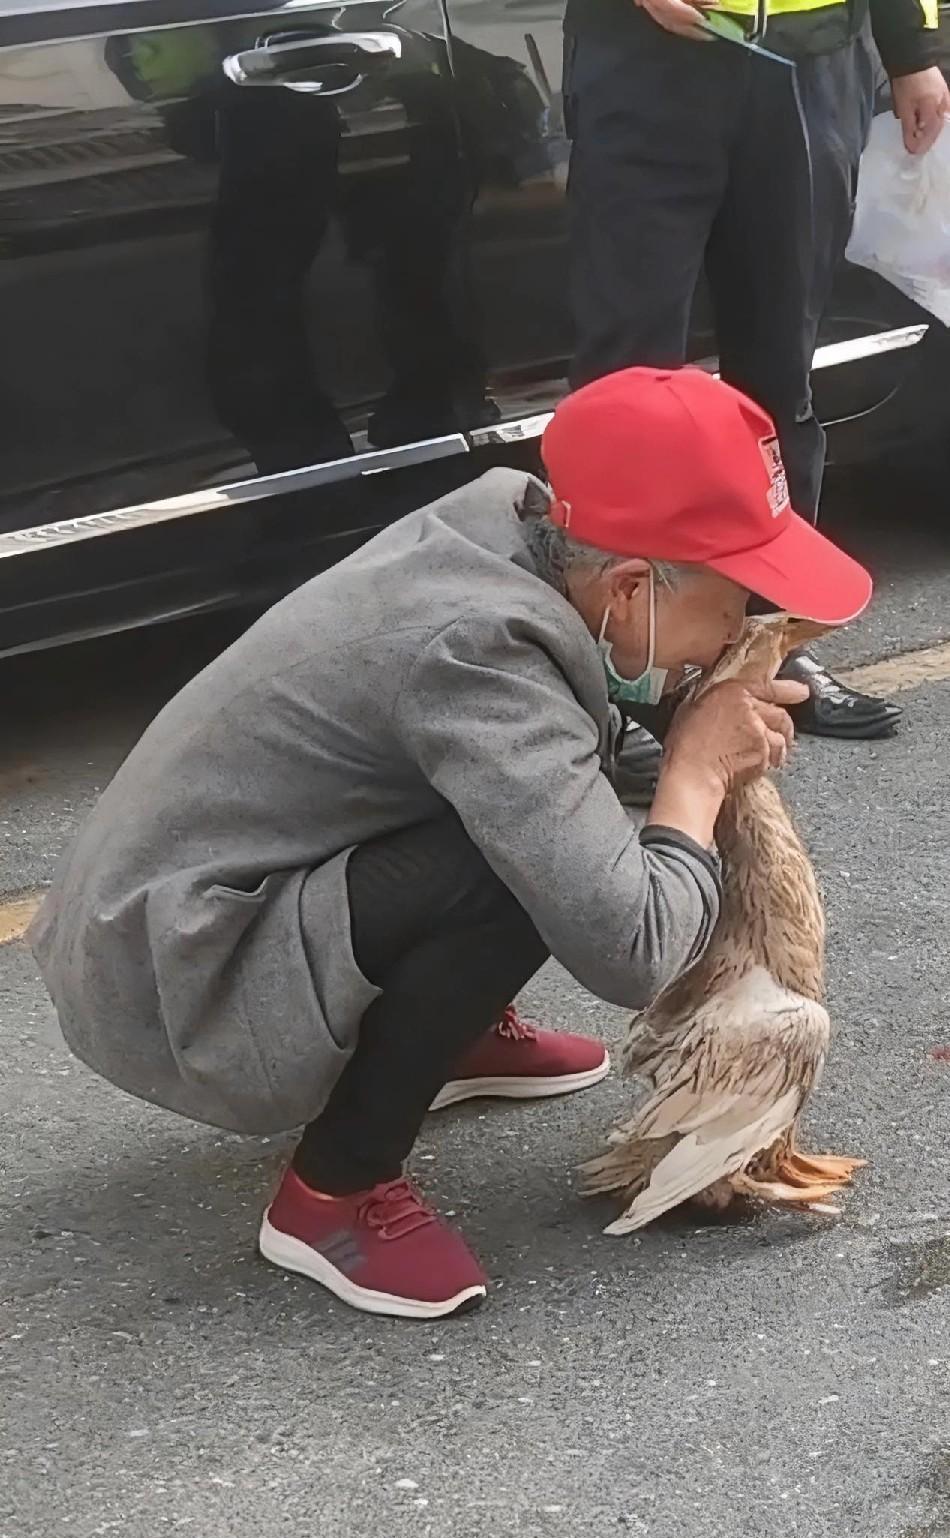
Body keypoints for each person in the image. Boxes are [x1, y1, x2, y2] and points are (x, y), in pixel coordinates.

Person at [29, 367, 871, 1322]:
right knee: (512, 876)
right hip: (169, 971)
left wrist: (681, 713)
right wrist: (695, 775)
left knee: (539, 812)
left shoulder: (519, 528)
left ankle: (451, 1034)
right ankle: (333, 1193)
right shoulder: (481, 648)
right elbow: (631, 948)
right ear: (632, 587)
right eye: (736, 602)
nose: (745, 631)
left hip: (167, 898)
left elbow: (546, 759)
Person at [563, 0, 947, 745]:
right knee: (624, 395)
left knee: (777, 388)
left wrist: (910, 46)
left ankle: (772, 652)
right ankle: (611, 681)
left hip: (812, 62)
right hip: (647, 55)